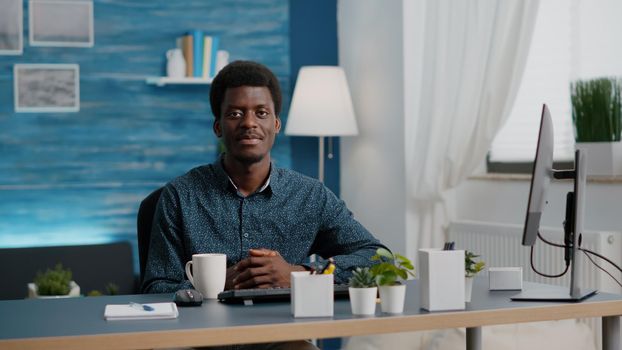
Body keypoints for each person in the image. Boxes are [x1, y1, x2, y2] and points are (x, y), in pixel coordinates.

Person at [141, 60, 386, 295]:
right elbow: (157, 288)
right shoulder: (180, 196)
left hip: (281, 333)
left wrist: (298, 274)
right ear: (218, 127)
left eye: (261, 113)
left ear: (276, 124)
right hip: (204, 336)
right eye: (235, 114)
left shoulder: (310, 196)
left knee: (300, 343)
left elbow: (377, 257)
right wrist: (212, 285)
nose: (249, 123)